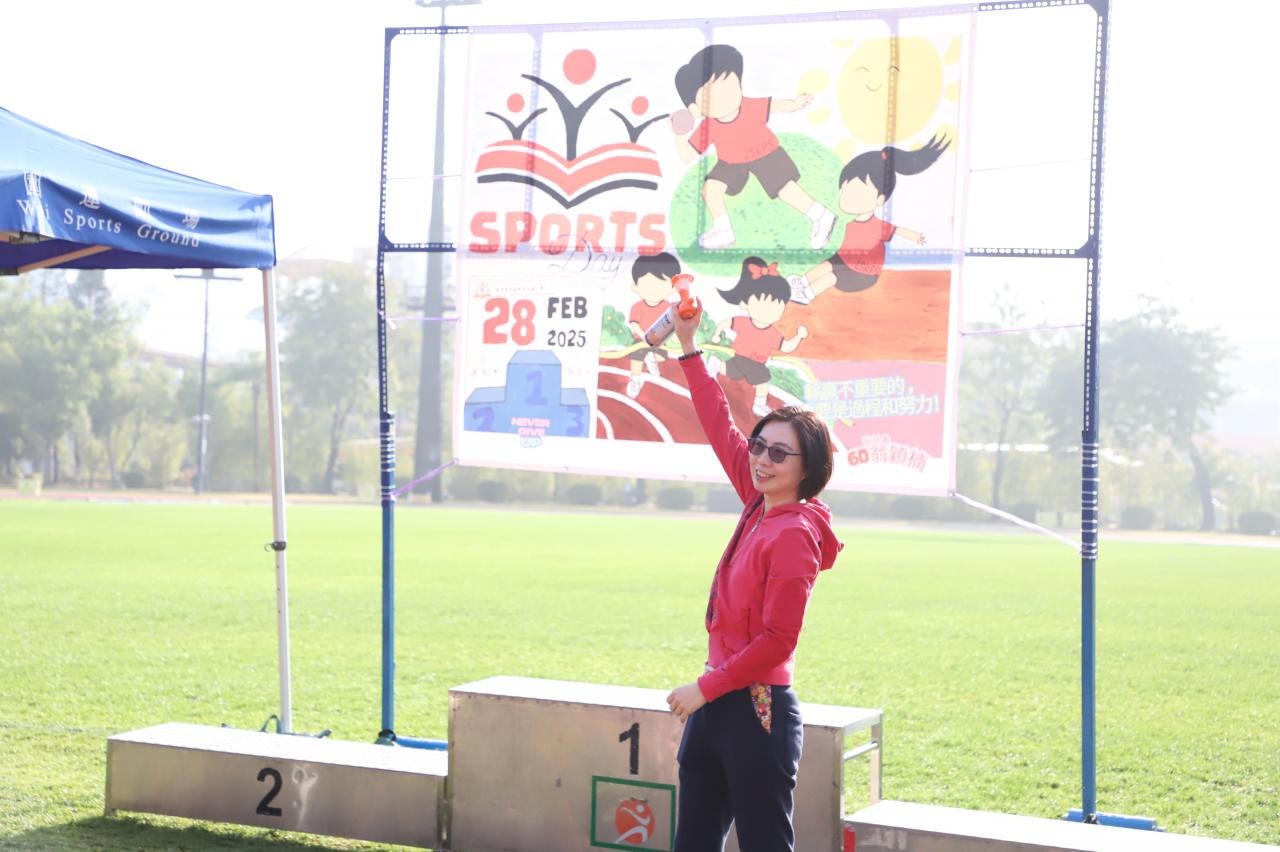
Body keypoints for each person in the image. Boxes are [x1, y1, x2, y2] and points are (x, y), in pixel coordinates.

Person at [665, 305, 843, 852]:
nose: (762, 459)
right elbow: (719, 424)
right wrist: (689, 346)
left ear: (808, 468)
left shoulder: (794, 534)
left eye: (779, 453)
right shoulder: (758, 503)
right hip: (714, 703)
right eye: (760, 445)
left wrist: (703, 689)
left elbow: (777, 641)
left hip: (757, 712)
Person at [671, 44, 836, 251]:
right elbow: (687, 156)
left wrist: (795, 104)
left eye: (730, 86)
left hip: (764, 152)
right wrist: (678, 135)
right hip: (731, 161)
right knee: (710, 188)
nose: (725, 97)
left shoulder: (749, 106)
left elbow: (774, 106)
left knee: (785, 189)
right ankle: (724, 230)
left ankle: (821, 215)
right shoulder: (708, 126)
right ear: (695, 109)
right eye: (713, 96)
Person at [788, 133, 950, 304]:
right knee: (828, 264)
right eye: (844, 190)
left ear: (879, 199)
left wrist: (914, 236)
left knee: (831, 276)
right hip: (845, 261)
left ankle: (807, 295)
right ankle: (802, 282)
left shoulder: (877, 226)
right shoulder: (850, 222)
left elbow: (896, 231)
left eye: (857, 193)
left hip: (862, 273)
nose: (846, 197)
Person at [711, 256, 808, 417]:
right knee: (744, 375)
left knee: (756, 380)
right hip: (740, 358)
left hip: (757, 364)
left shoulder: (773, 333)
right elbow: (725, 323)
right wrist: (716, 334)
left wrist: (799, 336)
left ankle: (758, 403)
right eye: (764, 303)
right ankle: (758, 402)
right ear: (746, 303)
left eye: (777, 306)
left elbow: (786, 347)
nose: (770, 310)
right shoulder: (743, 322)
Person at [626, 252, 683, 399]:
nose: (653, 290)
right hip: (640, 341)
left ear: (672, 289)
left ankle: (651, 358)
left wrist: (676, 338)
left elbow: (673, 325)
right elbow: (634, 325)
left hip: (659, 341)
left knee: (661, 357)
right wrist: (645, 338)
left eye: (660, 285)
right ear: (635, 287)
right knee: (637, 357)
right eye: (648, 285)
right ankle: (635, 380)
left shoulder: (669, 307)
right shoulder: (637, 307)